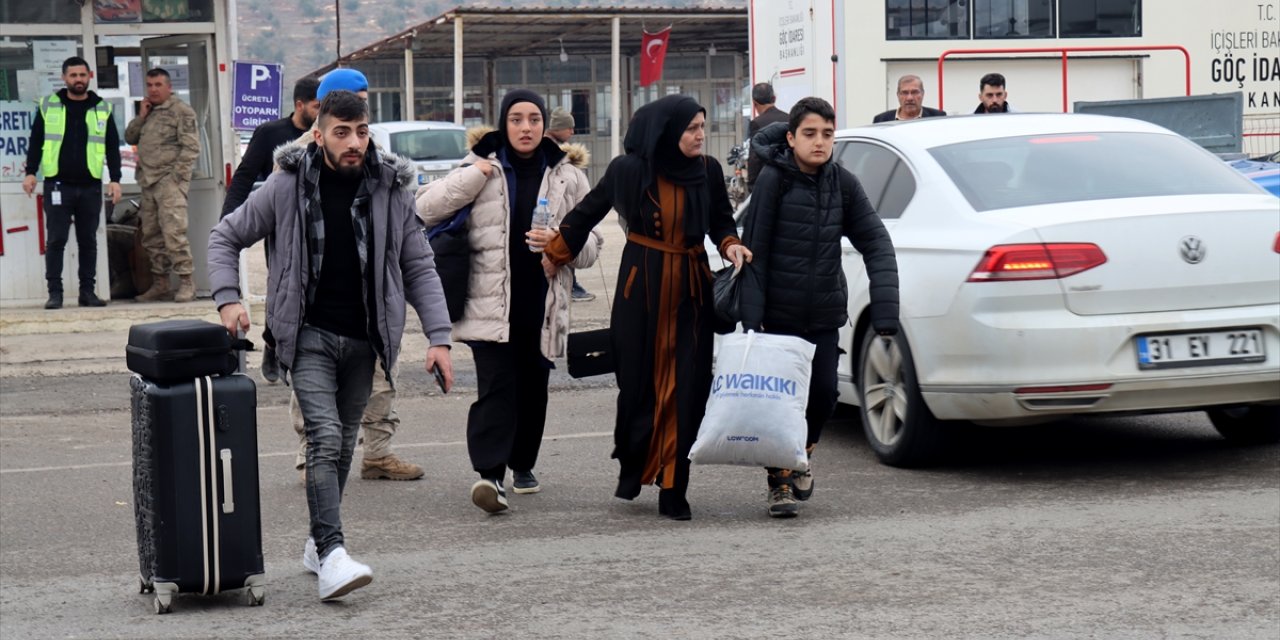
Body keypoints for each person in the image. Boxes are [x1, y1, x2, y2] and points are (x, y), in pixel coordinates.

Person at [208, 90, 454, 600]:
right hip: (308, 335)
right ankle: (334, 553)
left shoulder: (391, 187)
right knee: (322, 438)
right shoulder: (286, 185)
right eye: (342, 132)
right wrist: (229, 299)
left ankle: (317, 547)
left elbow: (418, 266)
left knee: (342, 444)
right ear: (317, 134)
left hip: (366, 339)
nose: (354, 142)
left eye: (361, 132)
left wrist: (439, 338)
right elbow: (225, 237)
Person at [542, 95, 752, 521]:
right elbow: (586, 213)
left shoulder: (709, 170)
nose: (700, 135)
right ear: (667, 131)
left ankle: (674, 485)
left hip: (692, 292)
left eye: (701, 126)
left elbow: (720, 220)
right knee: (638, 386)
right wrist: (554, 253)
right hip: (640, 291)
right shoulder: (629, 170)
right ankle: (637, 466)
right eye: (691, 127)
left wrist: (730, 244)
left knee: (689, 388)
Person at [418, 89, 601, 514]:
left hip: (542, 301)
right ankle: (489, 475)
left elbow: (593, 245)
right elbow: (423, 209)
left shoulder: (568, 176)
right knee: (496, 386)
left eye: (533, 119)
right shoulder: (479, 167)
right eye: (516, 119)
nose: (525, 127)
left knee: (534, 388)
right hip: (488, 301)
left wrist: (563, 242)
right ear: (504, 124)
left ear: (544, 126)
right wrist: (473, 175)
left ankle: (523, 463)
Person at [740, 97, 899, 518]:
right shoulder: (774, 180)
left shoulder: (843, 184)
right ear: (791, 138)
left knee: (824, 395)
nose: (819, 142)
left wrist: (885, 309)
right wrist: (751, 320)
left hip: (824, 314)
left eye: (827, 134)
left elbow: (876, 242)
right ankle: (780, 482)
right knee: (780, 405)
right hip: (777, 315)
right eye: (810, 134)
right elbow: (755, 251)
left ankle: (800, 453)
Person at [222, 76, 321, 384]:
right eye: (317, 107)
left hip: (321, 225)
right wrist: (229, 218)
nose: (321, 113)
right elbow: (245, 175)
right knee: (282, 287)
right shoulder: (271, 133)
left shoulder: (328, 134)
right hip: (281, 225)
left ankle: (303, 352)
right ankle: (273, 340)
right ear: (300, 105)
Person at [22, 56, 122, 310]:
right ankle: (54, 293)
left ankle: (87, 292)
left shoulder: (102, 107)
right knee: (56, 240)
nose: (78, 79)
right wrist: (31, 172)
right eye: (73, 75)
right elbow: (36, 142)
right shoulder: (49, 106)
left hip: (90, 185)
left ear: (89, 76)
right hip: (58, 185)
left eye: (82, 75)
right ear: (64, 78)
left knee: (88, 240)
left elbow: (112, 147)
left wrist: (116, 180)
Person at [125, 68, 200, 303]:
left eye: (158, 84)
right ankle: (161, 283)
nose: (153, 89)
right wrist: (141, 116)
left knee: (174, 233)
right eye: (149, 85)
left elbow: (191, 147)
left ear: (169, 87)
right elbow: (130, 137)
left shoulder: (181, 111)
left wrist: (177, 178)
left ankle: (187, 282)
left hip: (168, 182)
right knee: (151, 236)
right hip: (148, 182)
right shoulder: (150, 112)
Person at [545, 107, 596, 302]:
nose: (572, 132)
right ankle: (572, 285)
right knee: (566, 239)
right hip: (556, 211)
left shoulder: (561, 153)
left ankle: (572, 282)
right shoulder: (555, 153)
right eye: (569, 128)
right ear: (558, 128)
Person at [747, 82, 788, 187]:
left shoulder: (757, 123)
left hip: (766, 181)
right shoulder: (789, 118)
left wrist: (752, 184)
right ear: (774, 98)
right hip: (789, 178)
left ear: (754, 103)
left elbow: (755, 157)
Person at [872, 74, 946, 122]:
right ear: (898, 95)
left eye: (914, 92)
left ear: (922, 94)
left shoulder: (937, 118)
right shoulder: (881, 120)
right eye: (904, 93)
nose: (909, 98)